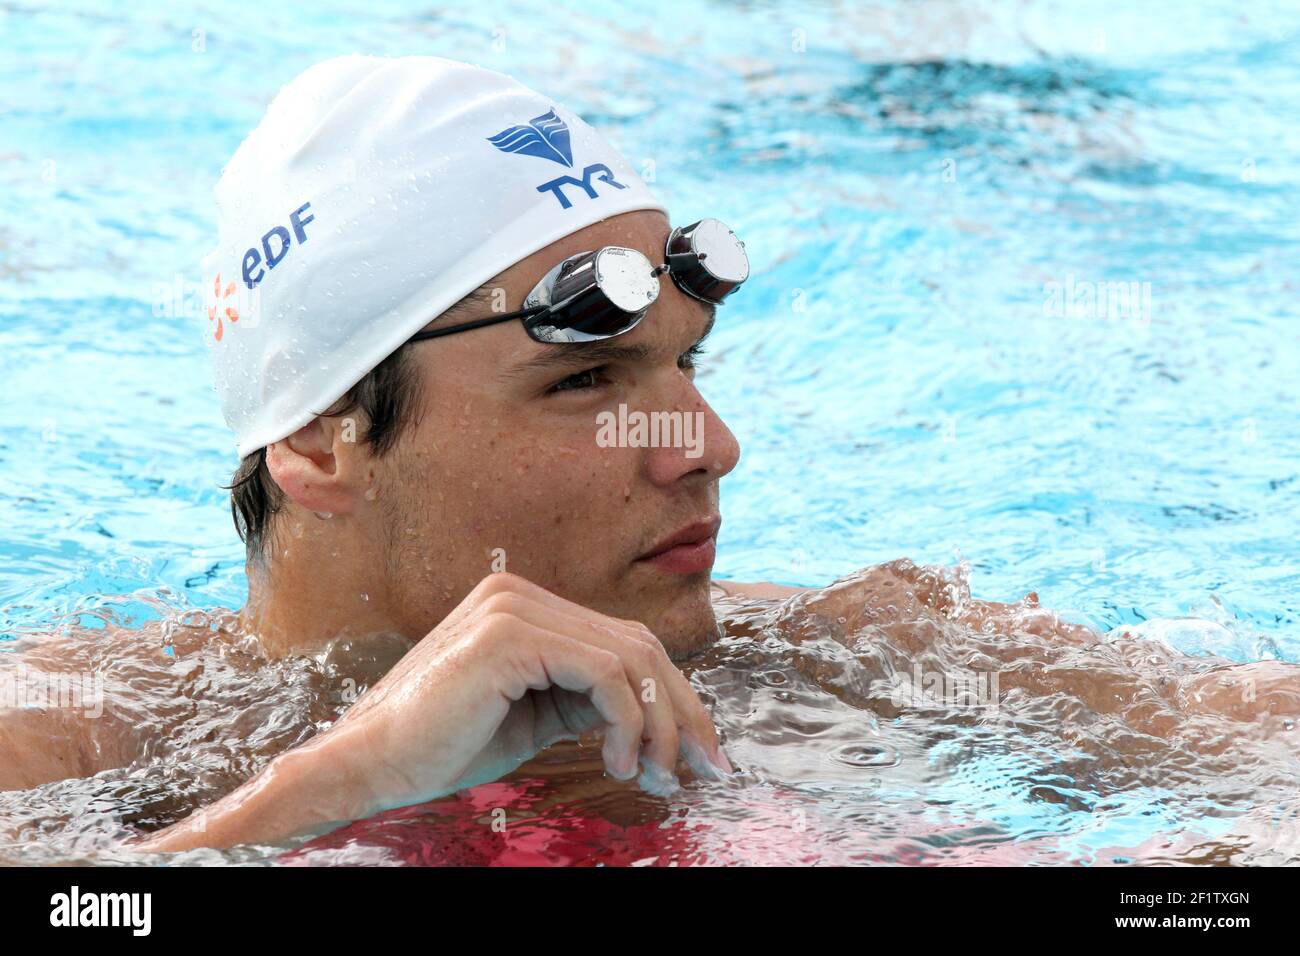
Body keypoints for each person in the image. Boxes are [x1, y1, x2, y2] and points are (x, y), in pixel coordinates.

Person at [2, 56, 1295, 859]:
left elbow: (1252, 748)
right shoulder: (70, 743)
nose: (708, 449)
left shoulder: (842, 657)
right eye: (585, 382)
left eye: (690, 368)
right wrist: (350, 778)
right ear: (320, 441)